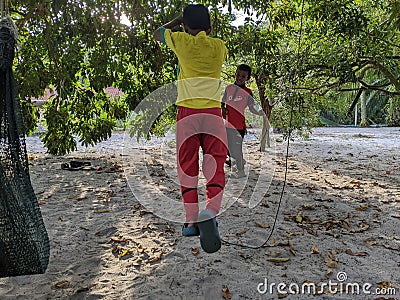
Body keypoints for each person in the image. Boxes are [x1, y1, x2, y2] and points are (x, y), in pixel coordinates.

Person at [153, 4, 228, 253]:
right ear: (210, 27)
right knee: (215, 163)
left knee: (187, 165)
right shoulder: (220, 47)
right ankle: (212, 211)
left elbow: (157, 32)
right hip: (214, 113)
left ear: (186, 27)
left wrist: (175, 23)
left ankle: (190, 221)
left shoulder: (181, 42)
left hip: (187, 113)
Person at [222, 64, 263, 178]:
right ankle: (237, 161)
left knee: (236, 149)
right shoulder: (228, 88)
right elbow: (222, 102)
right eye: (238, 75)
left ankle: (241, 171)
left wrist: (259, 113)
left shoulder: (248, 92)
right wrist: (223, 109)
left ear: (247, 78)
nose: (239, 78)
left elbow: (251, 108)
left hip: (239, 126)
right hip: (227, 125)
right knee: (227, 148)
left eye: (243, 76)